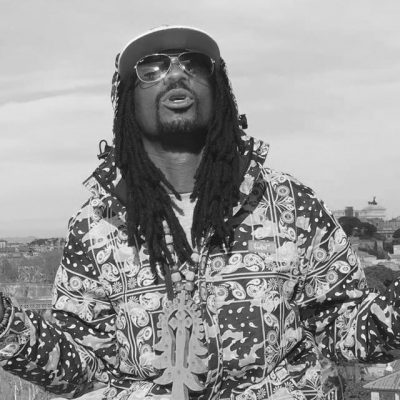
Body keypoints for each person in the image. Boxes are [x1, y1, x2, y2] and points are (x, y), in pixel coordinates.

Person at [0, 25, 400, 400]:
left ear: (220, 92)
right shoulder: (95, 224)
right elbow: (79, 367)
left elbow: (346, 329)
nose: (176, 74)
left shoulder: (291, 204)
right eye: (151, 68)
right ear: (127, 102)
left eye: (195, 64)